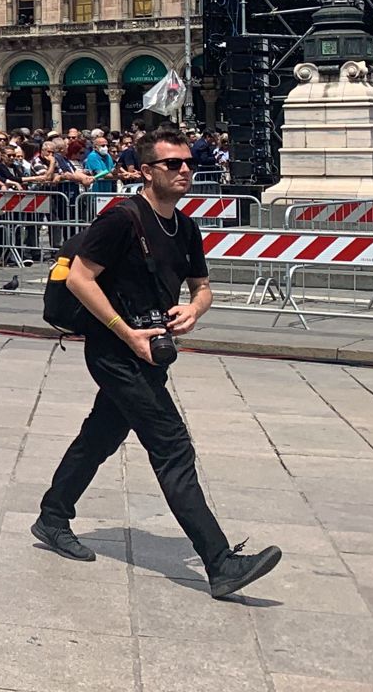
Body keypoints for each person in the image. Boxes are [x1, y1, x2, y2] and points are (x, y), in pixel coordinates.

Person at [34, 130, 282, 600]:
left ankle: (52, 516)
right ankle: (220, 561)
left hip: (153, 351)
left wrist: (195, 308)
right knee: (172, 447)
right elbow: (80, 280)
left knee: (99, 438)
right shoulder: (121, 220)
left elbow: (202, 286)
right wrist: (125, 332)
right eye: (172, 164)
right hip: (115, 352)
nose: (184, 170)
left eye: (187, 162)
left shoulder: (185, 226)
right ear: (146, 171)